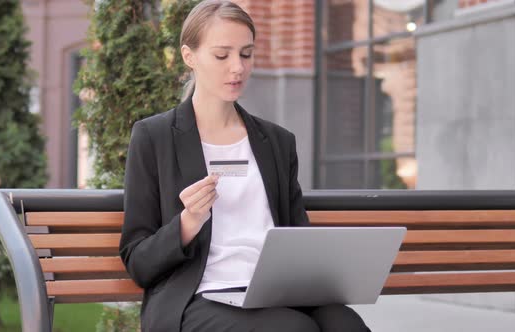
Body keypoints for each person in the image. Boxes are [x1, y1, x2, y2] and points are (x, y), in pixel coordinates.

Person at [119, 1, 371, 331]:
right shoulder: (154, 137)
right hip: (198, 297)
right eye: (222, 55)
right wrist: (187, 222)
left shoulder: (277, 142)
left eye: (246, 54)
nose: (237, 67)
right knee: (293, 329)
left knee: (346, 325)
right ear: (189, 56)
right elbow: (138, 261)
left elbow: (297, 233)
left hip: (278, 292)